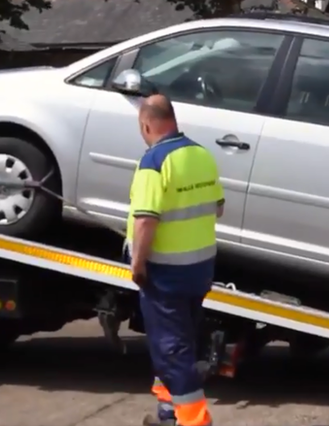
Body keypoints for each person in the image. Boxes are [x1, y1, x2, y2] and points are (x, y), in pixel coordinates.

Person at [125, 94, 224, 426]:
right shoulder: (201, 154)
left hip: (165, 272)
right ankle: (169, 415)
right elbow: (218, 206)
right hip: (200, 268)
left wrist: (138, 264)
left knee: (170, 350)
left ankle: (195, 421)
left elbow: (145, 219)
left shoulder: (153, 161)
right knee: (181, 343)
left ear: (147, 124)